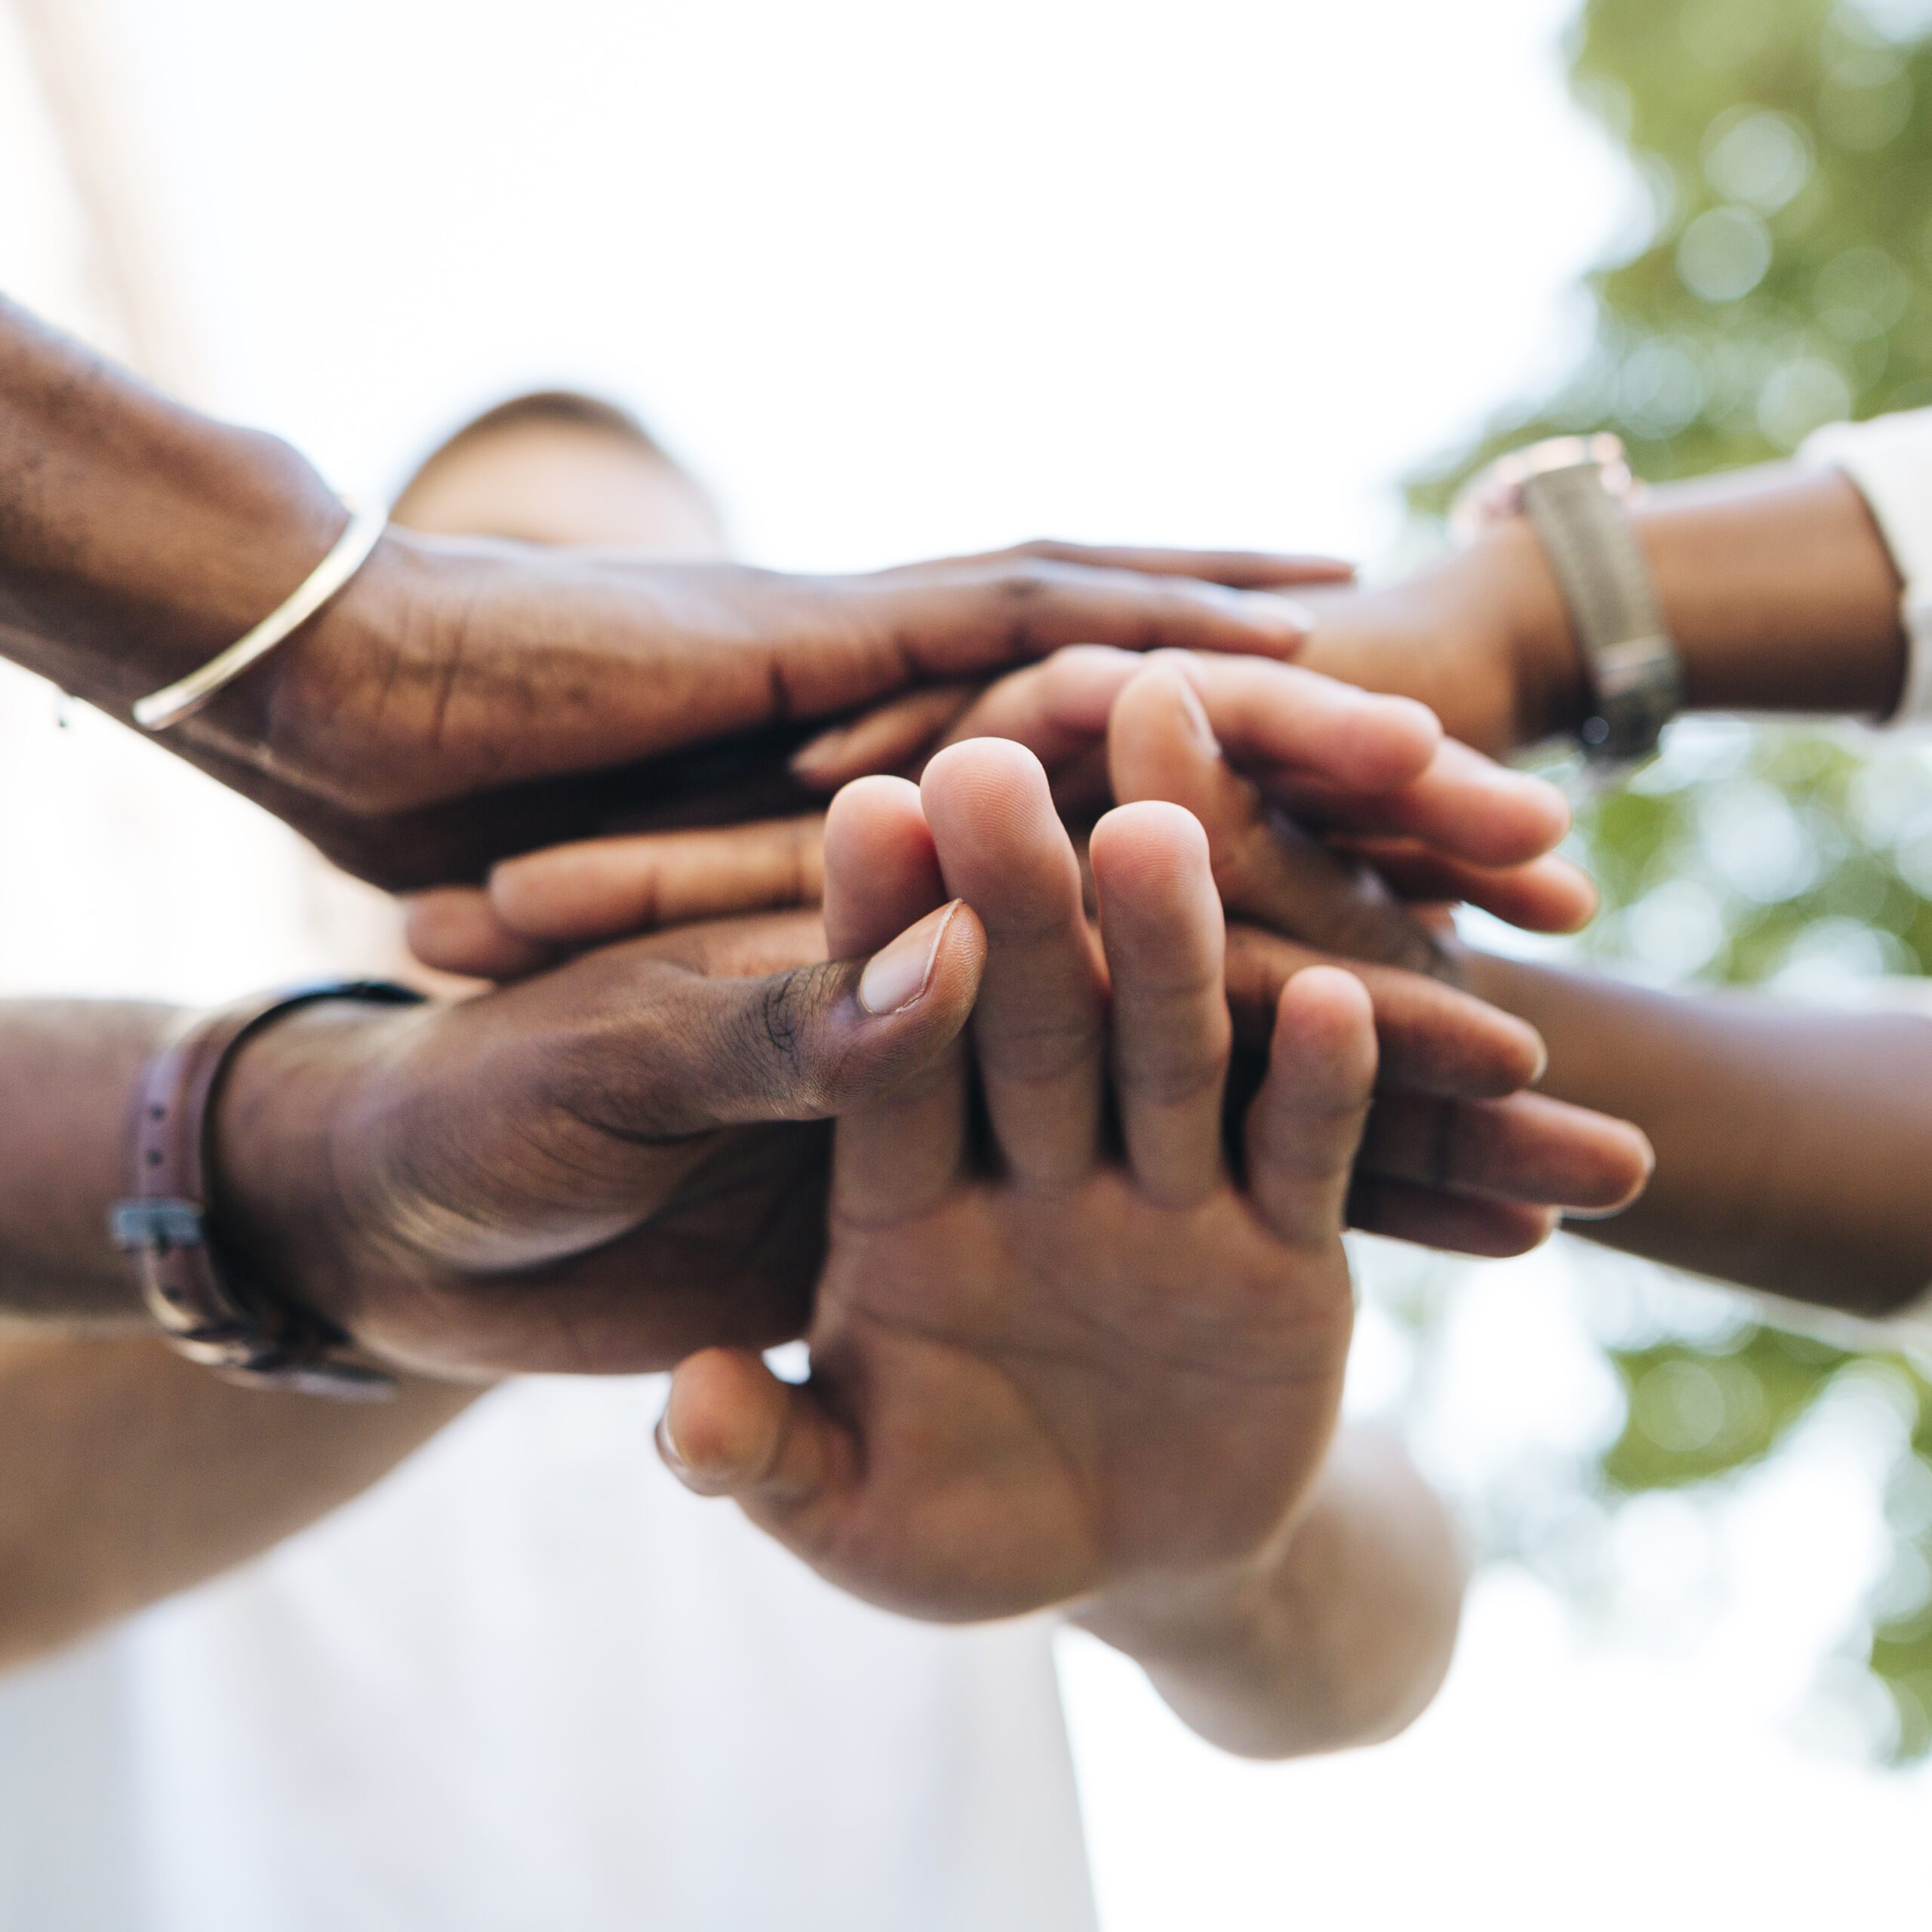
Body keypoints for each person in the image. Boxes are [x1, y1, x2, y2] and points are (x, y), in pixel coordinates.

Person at [0, 391, 1652, 1930]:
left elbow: (1377, 1632)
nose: (588, 701)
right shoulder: (101, 1194)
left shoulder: (958, 1188)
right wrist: (444, 1192)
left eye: (664, 618)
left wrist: (1208, 1563)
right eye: (522, 607)